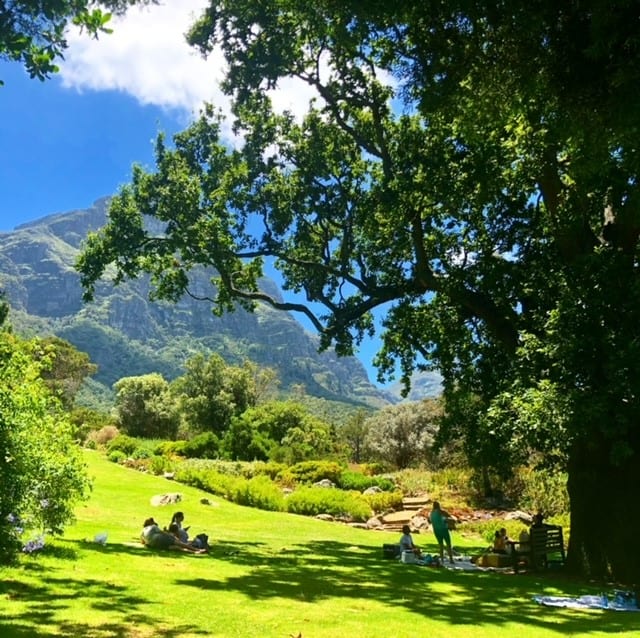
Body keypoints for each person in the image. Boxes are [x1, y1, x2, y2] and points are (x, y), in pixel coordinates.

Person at [140, 517, 206, 554]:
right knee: (180, 543)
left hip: (154, 545)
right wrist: (171, 536)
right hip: (159, 539)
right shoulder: (153, 526)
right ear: (151, 523)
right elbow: (162, 532)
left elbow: (143, 542)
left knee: (177, 548)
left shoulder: (142, 531)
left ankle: (193, 552)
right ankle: (196, 549)